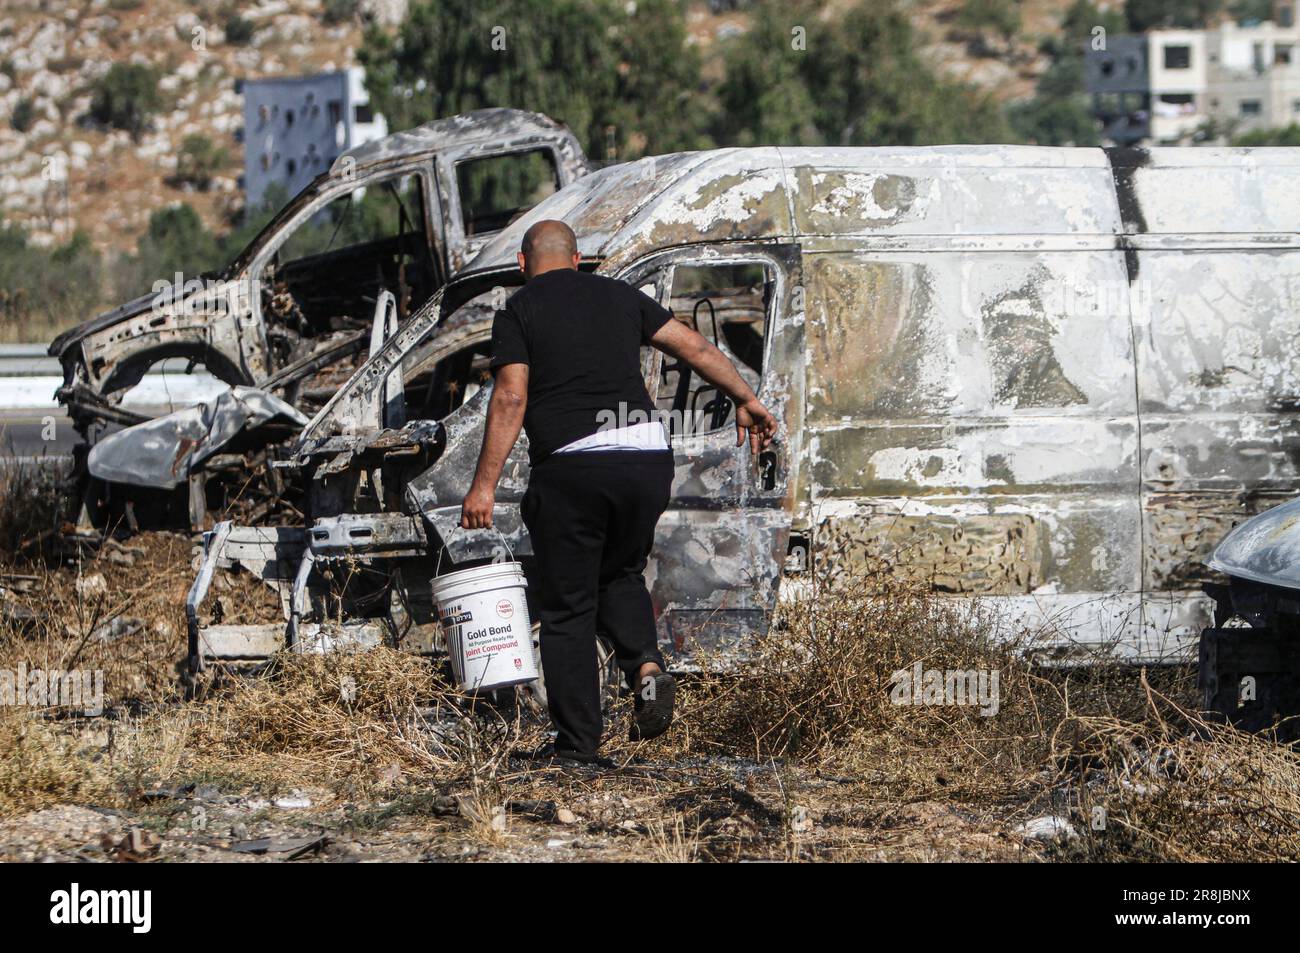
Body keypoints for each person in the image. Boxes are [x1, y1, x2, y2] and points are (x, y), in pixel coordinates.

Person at [460, 219, 777, 765]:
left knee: (567, 609)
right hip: (645, 460)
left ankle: (579, 748)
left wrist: (483, 485)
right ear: (579, 258)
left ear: (521, 264)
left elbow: (511, 397)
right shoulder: (620, 294)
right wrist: (747, 399)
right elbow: (696, 347)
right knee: (617, 573)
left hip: (574, 466)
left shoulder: (519, 311)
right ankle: (646, 667)